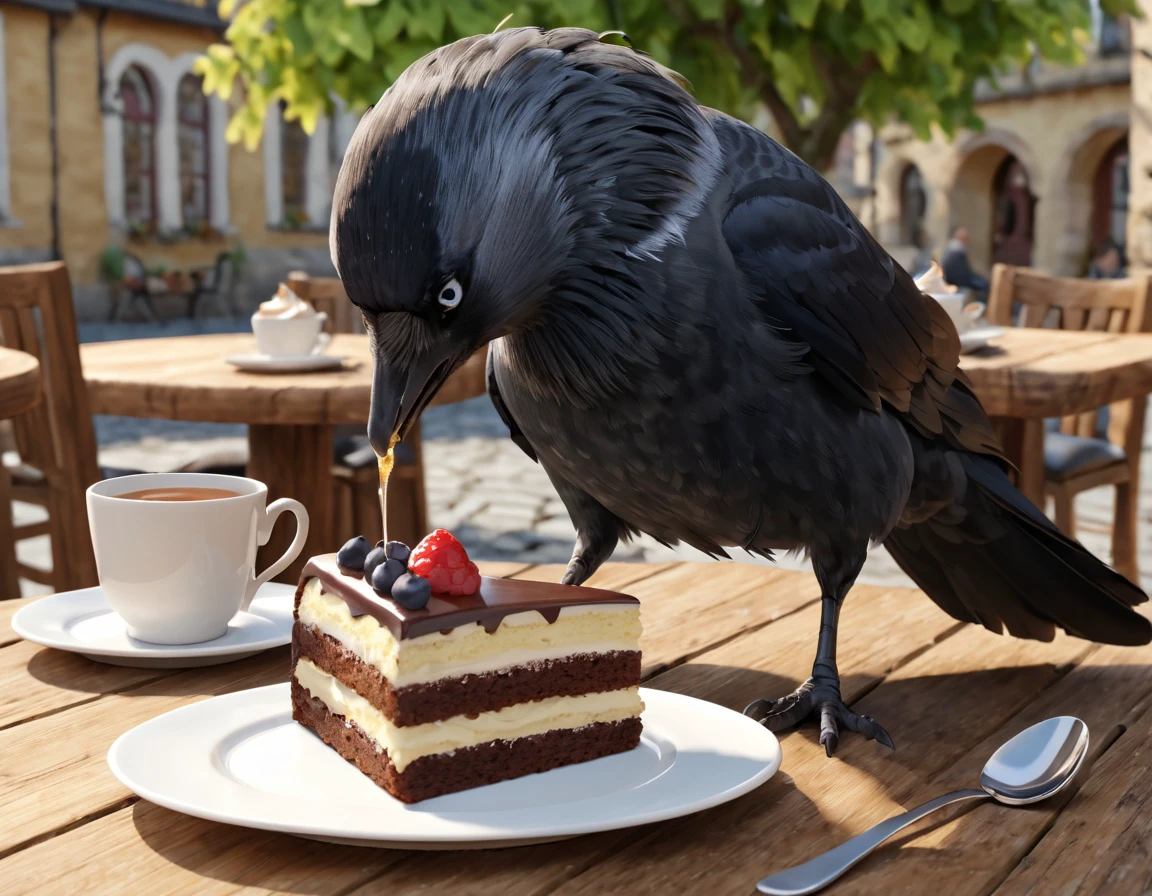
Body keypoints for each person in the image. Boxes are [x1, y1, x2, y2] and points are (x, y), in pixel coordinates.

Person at [940, 225, 990, 294]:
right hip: (957, 285)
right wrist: (982, 282)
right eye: (965, 238)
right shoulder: (956, 252)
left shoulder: (954, 251)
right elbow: (963, 276)